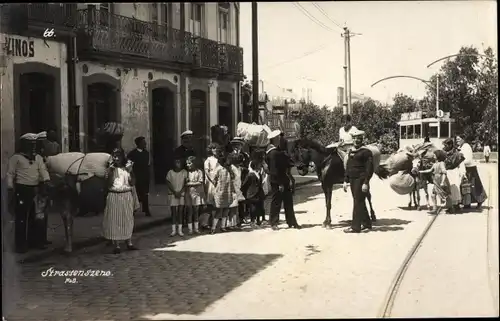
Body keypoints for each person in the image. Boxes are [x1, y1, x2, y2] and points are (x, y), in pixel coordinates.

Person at [6, 133, 51, 253]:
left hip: (35, 189)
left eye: (34, 145)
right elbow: (10, 174)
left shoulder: (38, 158)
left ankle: (35, 242)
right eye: (30, 145)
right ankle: (20, 245)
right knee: (21, 218)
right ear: (24, 145)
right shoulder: (16, 158)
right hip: (22, 189)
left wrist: (46, 181)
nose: (33, 147)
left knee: (35, 217)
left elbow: (43, 171)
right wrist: (10, 187)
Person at [102, 148, 139, 254]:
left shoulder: (127, 168)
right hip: (114, 196)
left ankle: (129, 242)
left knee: (127, 219)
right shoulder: (110, 169)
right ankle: (116, 245)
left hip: (126, 195)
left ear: (123, 157)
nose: (116, 158)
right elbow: (108, 185)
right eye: (114, 156)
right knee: (114, 220)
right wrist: (110, 171)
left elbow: (132, 183)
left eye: (118, 156)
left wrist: (131, 171)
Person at [266, 129, 300, 231]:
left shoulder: (277, 152)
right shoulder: (273, 153)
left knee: (288, 201)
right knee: (276, 202)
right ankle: (273, 222)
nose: (280, 139)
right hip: (278, 181)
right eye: (279, 138)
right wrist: (280, 183)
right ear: (275, 139)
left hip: (283, 180)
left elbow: (287, 162)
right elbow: (274, 170)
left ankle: (292, 222)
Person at [342, 129, 373, 233]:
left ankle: (355, 227)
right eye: (354, 138)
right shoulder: (351, 151)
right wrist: (345, 181)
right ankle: (367, 223)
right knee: (359, 201)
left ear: (362, 139)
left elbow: (369, 169)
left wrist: (366, 182)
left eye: (358, 138)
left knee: (357, 202)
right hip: (352, 179)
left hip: (361, 179)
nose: (356, 140)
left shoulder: (366, 152)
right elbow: (348, 166)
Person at [456, 134, 487, 209]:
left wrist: (459, 162)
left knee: (474, 186)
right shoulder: (460, 147)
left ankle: (480, 200)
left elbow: (468, 159)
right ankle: (467, 203)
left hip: (470, 169)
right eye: (456, 139)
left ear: (463, 139)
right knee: (465, 187)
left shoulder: (466, 147)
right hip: (465, 169)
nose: (457, 141)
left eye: (459, 139)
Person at [419, 150, 452, 214]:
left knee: (445, 195)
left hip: (441, 180)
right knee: (433, 194)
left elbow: (444, 173)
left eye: (434, 155)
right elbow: (430, 170)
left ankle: (450, 208)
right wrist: (421, 171)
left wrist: (442, 182)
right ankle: (435, 209)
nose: (433, 156)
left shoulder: (441, 163)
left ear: (438, 156)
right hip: (436, 180)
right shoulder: (435, 164)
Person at [211, 152, 235, 234]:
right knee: (219, 210)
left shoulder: (229, 170)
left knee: (226, 209)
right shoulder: (218, 169)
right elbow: (214, 180)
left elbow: (233, 178)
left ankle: (223, 226)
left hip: (228, 192)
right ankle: (213, 228)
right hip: (220, 192)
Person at [127, 137, 151, 216]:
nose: (145, 144)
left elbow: (148, 164)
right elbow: (129, 165)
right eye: (143, 142)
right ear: (138, 144)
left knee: (145, 193)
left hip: (144, 176)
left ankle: (146, 210)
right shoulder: (132, 154)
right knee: (135, 193)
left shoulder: (146, 153)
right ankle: (133, 210)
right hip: (136, 176)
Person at [166, 157, 188, 237]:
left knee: (180, 212)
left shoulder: (184, 172)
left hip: (181, 194)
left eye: (179, 162)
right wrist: (174, 192)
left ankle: (180, 230)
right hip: (172, 194)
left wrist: (180, 192)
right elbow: (168, 183)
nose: (178, 163)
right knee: (173, 212)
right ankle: (173, 230)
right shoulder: (170, 172)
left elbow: (186, 183)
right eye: (176, 162)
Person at [241, 157, 266, 227]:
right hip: (252, 194)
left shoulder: (259, 174)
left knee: (259, 207)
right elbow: (245, 184)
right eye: (259, 165)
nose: (260, 166)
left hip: (259, 194)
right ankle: (252, 221)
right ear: (254, 166)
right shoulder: (250, 175)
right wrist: (245, 192)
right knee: (253, 208)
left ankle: (258, 220)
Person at [443, 138, 466, 213]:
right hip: (447, 172)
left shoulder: (457, 153)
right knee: (448, 189)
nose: (444, 147)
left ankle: (454, 206)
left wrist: (462, 173)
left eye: (446, 145)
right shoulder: (445, 153)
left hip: (455, 172)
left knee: (454, 189)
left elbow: (461, 164)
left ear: (450, 145)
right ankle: (450, 205)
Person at [202, 143, 221, 230]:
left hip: (218, 181)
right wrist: (212, 180)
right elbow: (207, 171)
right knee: (210, 203)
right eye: (213, 148)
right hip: (210, 183)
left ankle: (213, 222)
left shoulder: (219, 159)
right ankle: (204, 222)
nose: (215, 150)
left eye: (216, 148)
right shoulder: (208, 160)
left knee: (216, 202)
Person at [185, 156, 205, 234]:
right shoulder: (186, 172)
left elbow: (200, 182)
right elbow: (184, 182)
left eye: (189, 163)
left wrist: (189, 183)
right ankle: (190, 229)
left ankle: (196, 228)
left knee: (196, 211)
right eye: (187, 163)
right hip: (188, 194)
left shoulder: (199, 172)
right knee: (190, 212)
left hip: (197, 194)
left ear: (194, 163)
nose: (188, 165)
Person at [227, 153, 245, 230]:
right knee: (232, 208)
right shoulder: (231, 168)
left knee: (236, 208)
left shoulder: (239, 168)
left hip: (238, 189)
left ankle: (235, 223)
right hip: (232, 190)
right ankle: (229, 224)